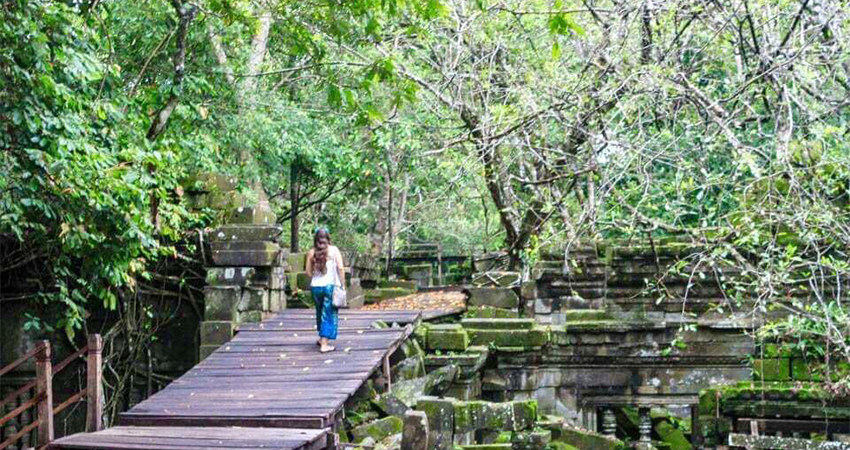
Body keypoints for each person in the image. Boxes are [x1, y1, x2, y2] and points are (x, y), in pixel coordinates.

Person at [305, 227, 345, 353]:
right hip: (329, 287)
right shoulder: (334, 251)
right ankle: (324, 344)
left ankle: (321, 337)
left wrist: (316, 275)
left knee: (320, 311)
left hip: (316, 287)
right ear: (328, 238)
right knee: (328, 313)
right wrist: (342, 285)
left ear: (316, 240)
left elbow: (308, 272)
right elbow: (341, 268)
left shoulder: (311, 252)